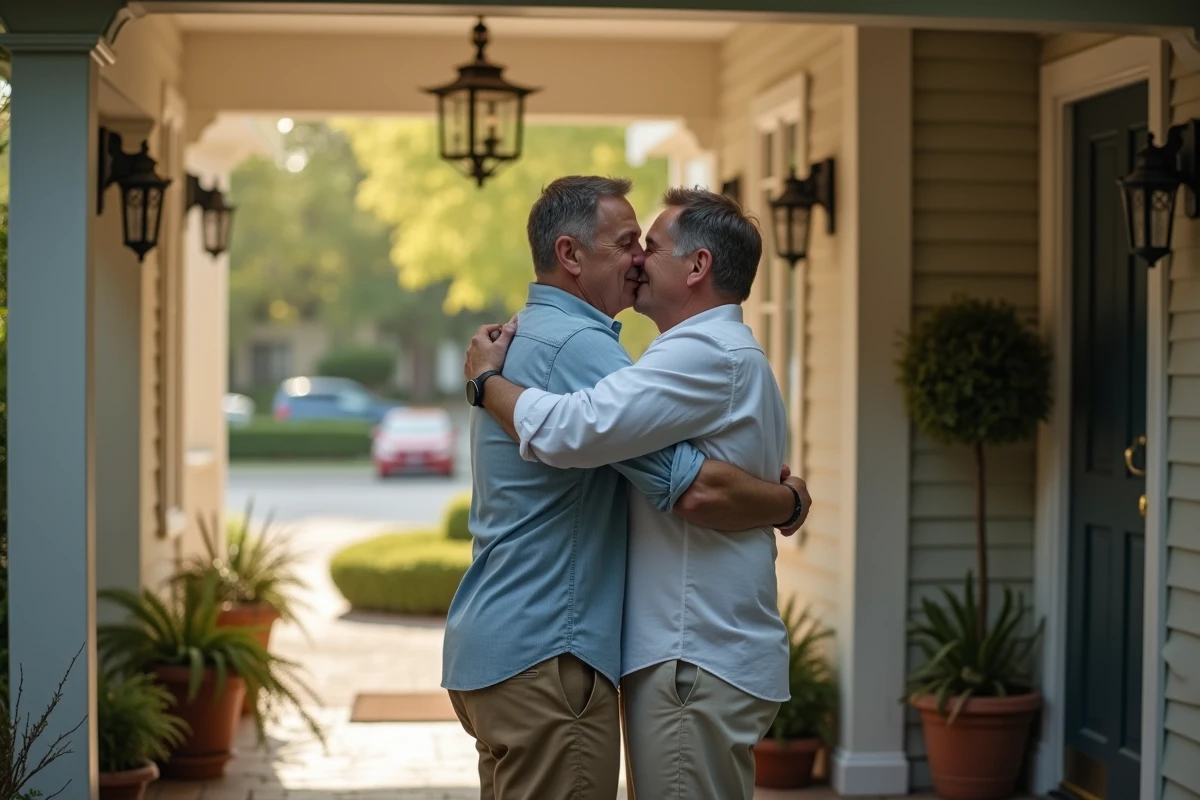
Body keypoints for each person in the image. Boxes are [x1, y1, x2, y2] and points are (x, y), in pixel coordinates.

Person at [445, 176, 809, 800]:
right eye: (628, 242)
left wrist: (486, 381)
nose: (639, 257)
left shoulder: (556, 338)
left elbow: (662, 470)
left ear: (699, 266)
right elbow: (684, 481)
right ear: (570, 254)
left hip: (554, 647)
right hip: (555, 650)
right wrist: (788, 501)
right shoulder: (587, 346)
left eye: (649, 244)